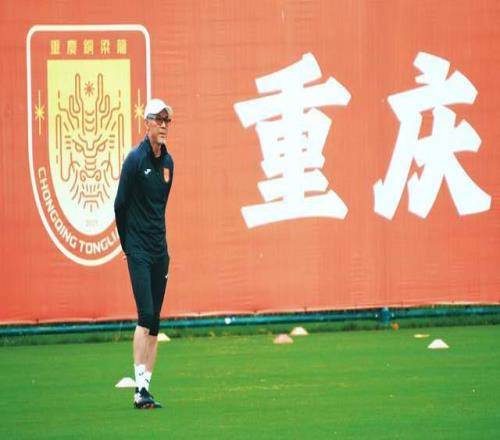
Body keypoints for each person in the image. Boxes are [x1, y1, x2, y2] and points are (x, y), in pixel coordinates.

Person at [114, 98, 174, 409]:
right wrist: (127, 246)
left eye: (167, 121)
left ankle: (146, 388)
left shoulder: (169, 163)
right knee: (145, 315)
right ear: (147, 123)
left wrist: (157, 242)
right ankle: (138, 389)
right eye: (158, 120)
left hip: (159, 250)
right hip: (137, 249)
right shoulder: (135, 161)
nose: (163, 126)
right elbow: (120, 205)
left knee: (156, 322)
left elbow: (159, 207)